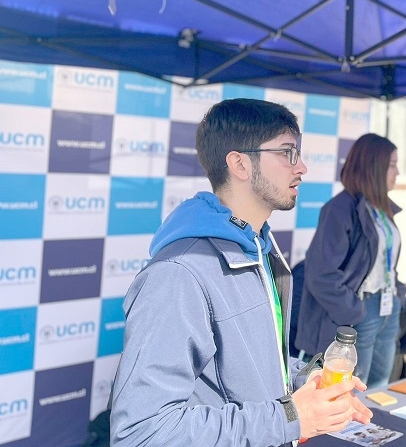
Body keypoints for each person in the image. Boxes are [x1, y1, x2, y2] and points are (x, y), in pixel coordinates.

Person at [110, 98, 372, 447]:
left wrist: (306, 378)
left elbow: (247, 370)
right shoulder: (178, 274)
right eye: (287, 153)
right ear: (239, 164)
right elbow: (141, 433)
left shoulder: (257, 249)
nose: (302, 167)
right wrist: (292, 416)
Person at [296, 133, 404, 388]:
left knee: (378, 386)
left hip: (387, 307)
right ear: (373, 167)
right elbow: (321, 273)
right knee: (352, 390)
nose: (397, 172)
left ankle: (374, 430)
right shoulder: (340, 209)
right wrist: (355, 310)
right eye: (391, 165)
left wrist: (397, 293)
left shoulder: (382, 208)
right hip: (360, 311)